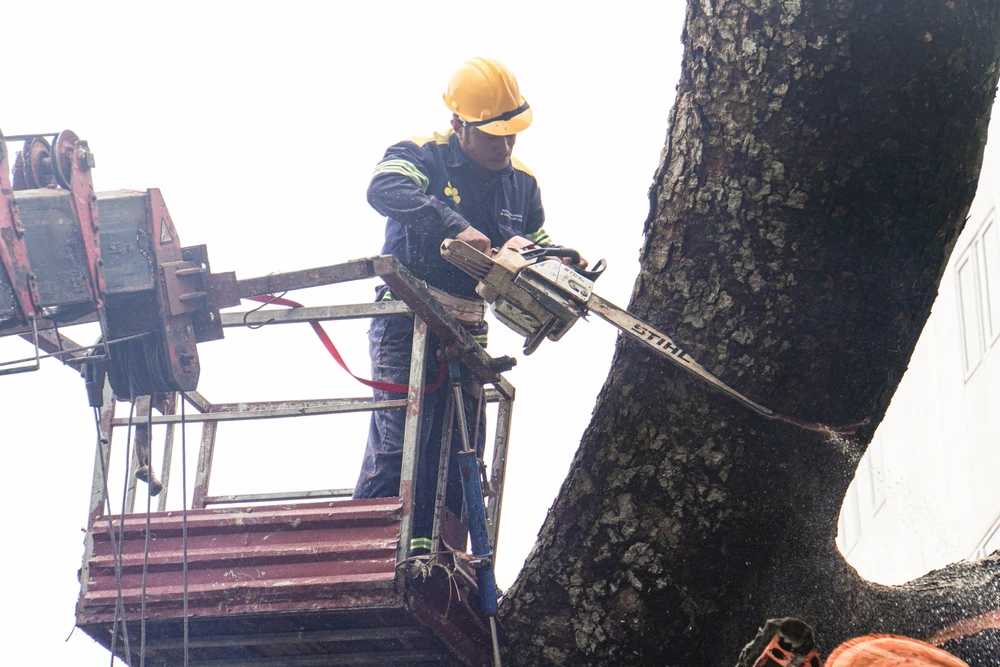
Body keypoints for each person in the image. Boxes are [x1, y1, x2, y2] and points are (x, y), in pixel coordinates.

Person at [353, 56, 574, 557]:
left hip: (468, 325)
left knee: (460, 451)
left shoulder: (522, 183)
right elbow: (384, 188)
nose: (505, 146)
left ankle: (441, 556)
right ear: (458, 125)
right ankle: (370, 552)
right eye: (493, 135)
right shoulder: (419, 155)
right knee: (400, 442)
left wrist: (558, 260)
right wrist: (454, 225)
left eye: (511, 135)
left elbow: (535, 239)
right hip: (407, 316)